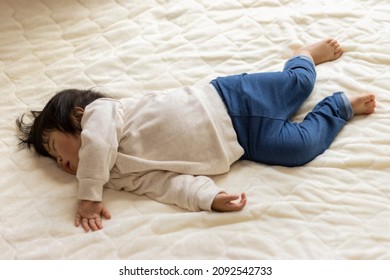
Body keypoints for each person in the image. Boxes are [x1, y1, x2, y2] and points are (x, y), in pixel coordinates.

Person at [17, 38, 376, 232]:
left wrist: (88, 195)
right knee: (298, 149)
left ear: (75, 117)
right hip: (244, 142)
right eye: (54, 161)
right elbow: (166, 184)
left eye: (53, 145)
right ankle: (337, 108)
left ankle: (304, 56)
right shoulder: (118, 175)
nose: (60, 161)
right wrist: (208, 197)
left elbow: (95, 146)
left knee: (298, 84)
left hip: (232, 96)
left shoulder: (104, 115)